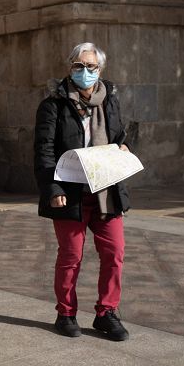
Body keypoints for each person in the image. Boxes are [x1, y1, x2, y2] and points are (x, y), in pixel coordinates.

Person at [33, 42, 131, 342]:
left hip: (106, 190)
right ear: (69, 68)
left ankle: (107, 313)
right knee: (71, 255)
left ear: (100, 69)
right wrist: (53, 187)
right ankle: (65, 313)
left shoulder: (110, 100)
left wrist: (124, 148)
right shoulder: (53, 105)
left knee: (114, 253)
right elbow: (44, 150)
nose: (85, 72)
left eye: (91, 67)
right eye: (78, 66)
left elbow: (118, 135)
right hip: (70, 192)